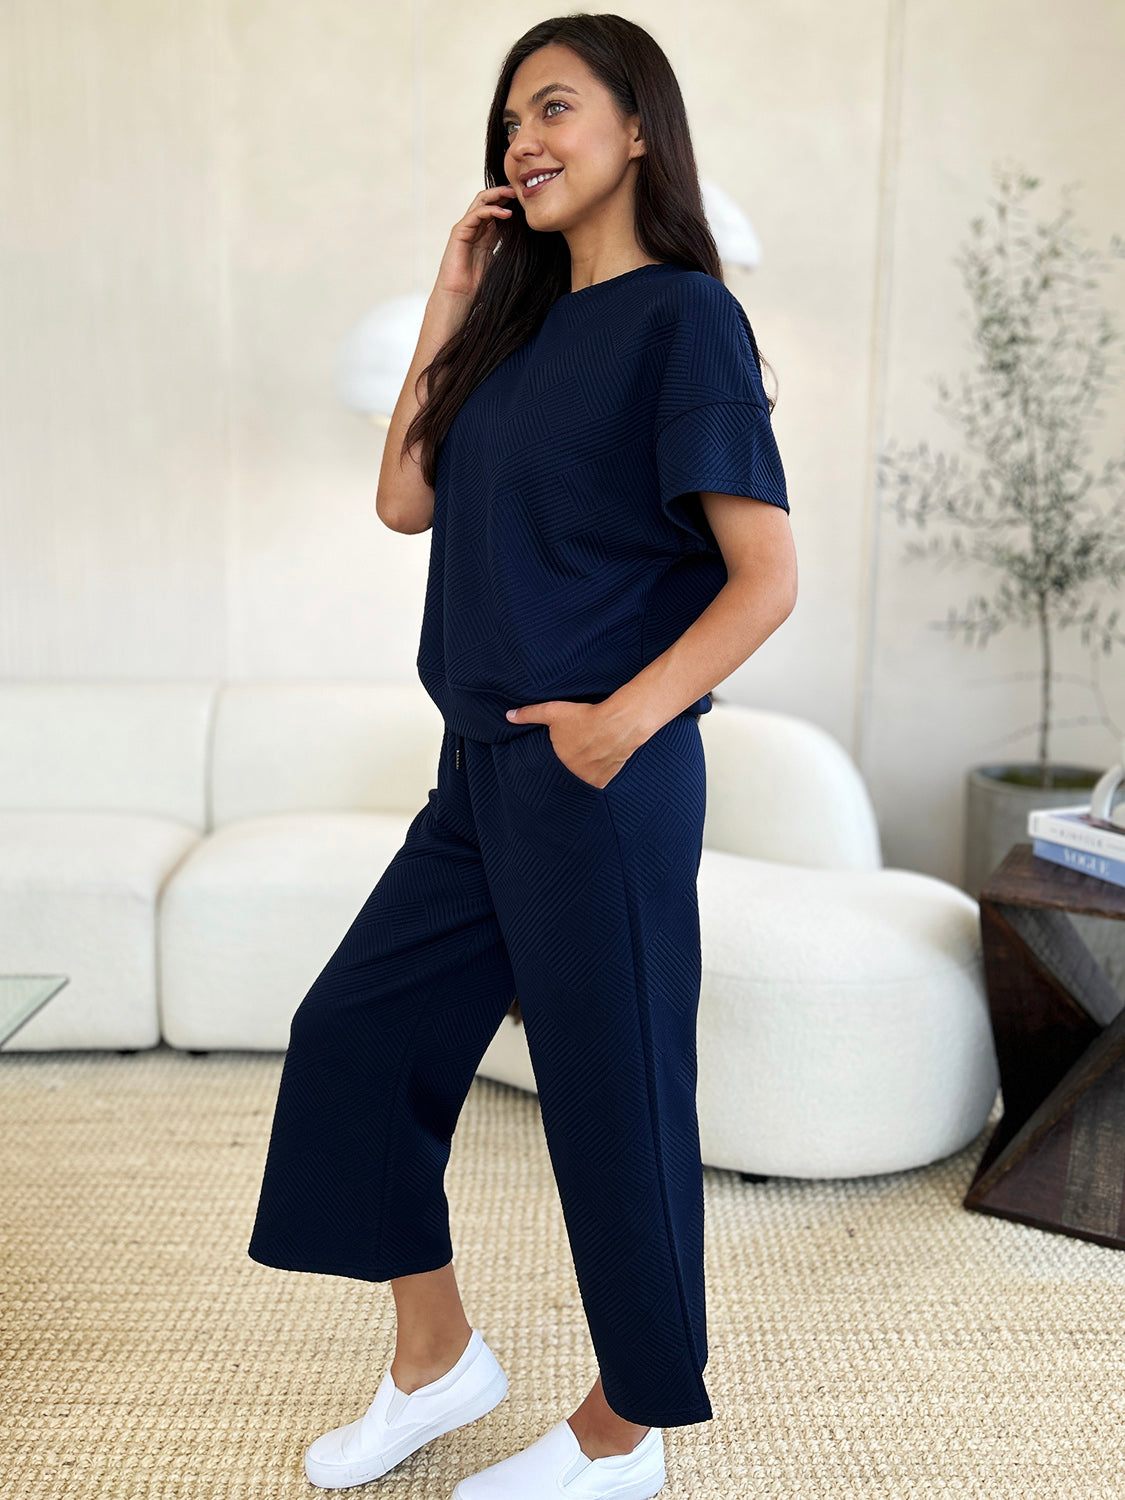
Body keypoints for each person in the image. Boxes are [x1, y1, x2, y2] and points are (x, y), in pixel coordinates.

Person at [247, 12, 797, 1499]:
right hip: (477, 770)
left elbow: (765, 578)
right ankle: (439, 1359)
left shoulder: (688, 320)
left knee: (612, 1098)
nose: (523, 140)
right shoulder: (522, 319)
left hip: (599, 775)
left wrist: (625, 722)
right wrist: (450, 297)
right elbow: (402, 501)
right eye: (507, 122)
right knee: (354, 1041)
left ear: (637, 131)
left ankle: (626, 1436)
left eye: (554, 107)